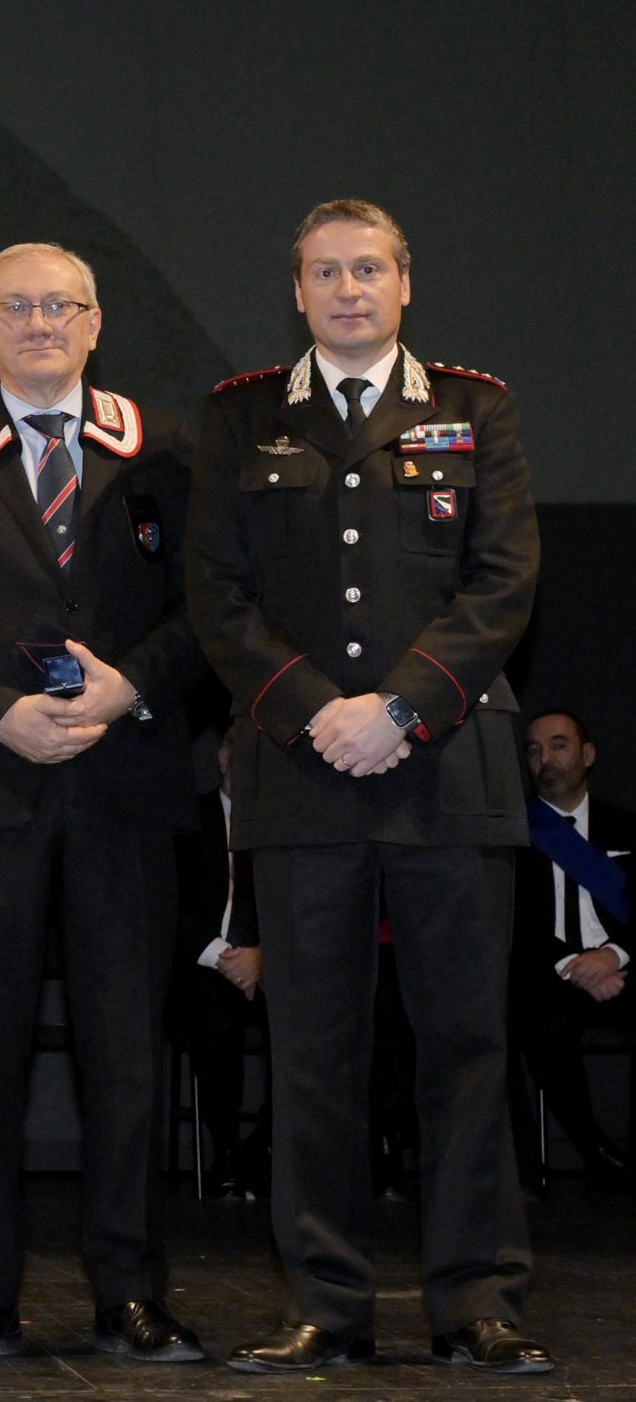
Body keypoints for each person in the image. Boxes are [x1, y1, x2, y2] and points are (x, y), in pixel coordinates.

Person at [189, 198, 546, 1374]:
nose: (348, 290)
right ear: (295, 291)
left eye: (369, 270)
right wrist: (316, 714)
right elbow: (216, 599)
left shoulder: (472, 406)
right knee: (313, 1056)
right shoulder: (242, 417)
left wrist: (398, 708)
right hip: (302, 778)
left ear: (404, 284)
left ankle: (475, 1303)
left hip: (445, 772)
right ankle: (327, 1305)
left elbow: (502, 584)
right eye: (324, 272)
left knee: (463, 1049)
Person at [0, 243, 206, 1364]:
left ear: (93, 321)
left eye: (57, 304)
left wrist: (135, 685)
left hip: (124, 787)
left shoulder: (164, 448)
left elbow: (206, 607)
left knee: (127, 1055)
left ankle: (130, 1293)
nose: (36, 322)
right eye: (11, 306)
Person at [509, 710, 635, 1189]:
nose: (546, 758)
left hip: (622, 966)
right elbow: (511, 919)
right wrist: (573, 964)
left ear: (588, 755)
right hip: (549, 972)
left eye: (559, 745)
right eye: (535, 749)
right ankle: (596, 1149)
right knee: (543, 1026)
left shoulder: (627, 828)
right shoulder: (513, 834)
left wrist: (613, 956)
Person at [167, 737, 264, 1201]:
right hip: (202, 966)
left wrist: (260, 959)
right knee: (217, 1024)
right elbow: (171, 904)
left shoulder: (276, 827)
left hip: (267, 966)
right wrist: (226, 959)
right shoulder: (188, 820)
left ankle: (262, 1153)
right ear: (225, 756)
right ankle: (226, 1156)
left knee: (317, 1024)